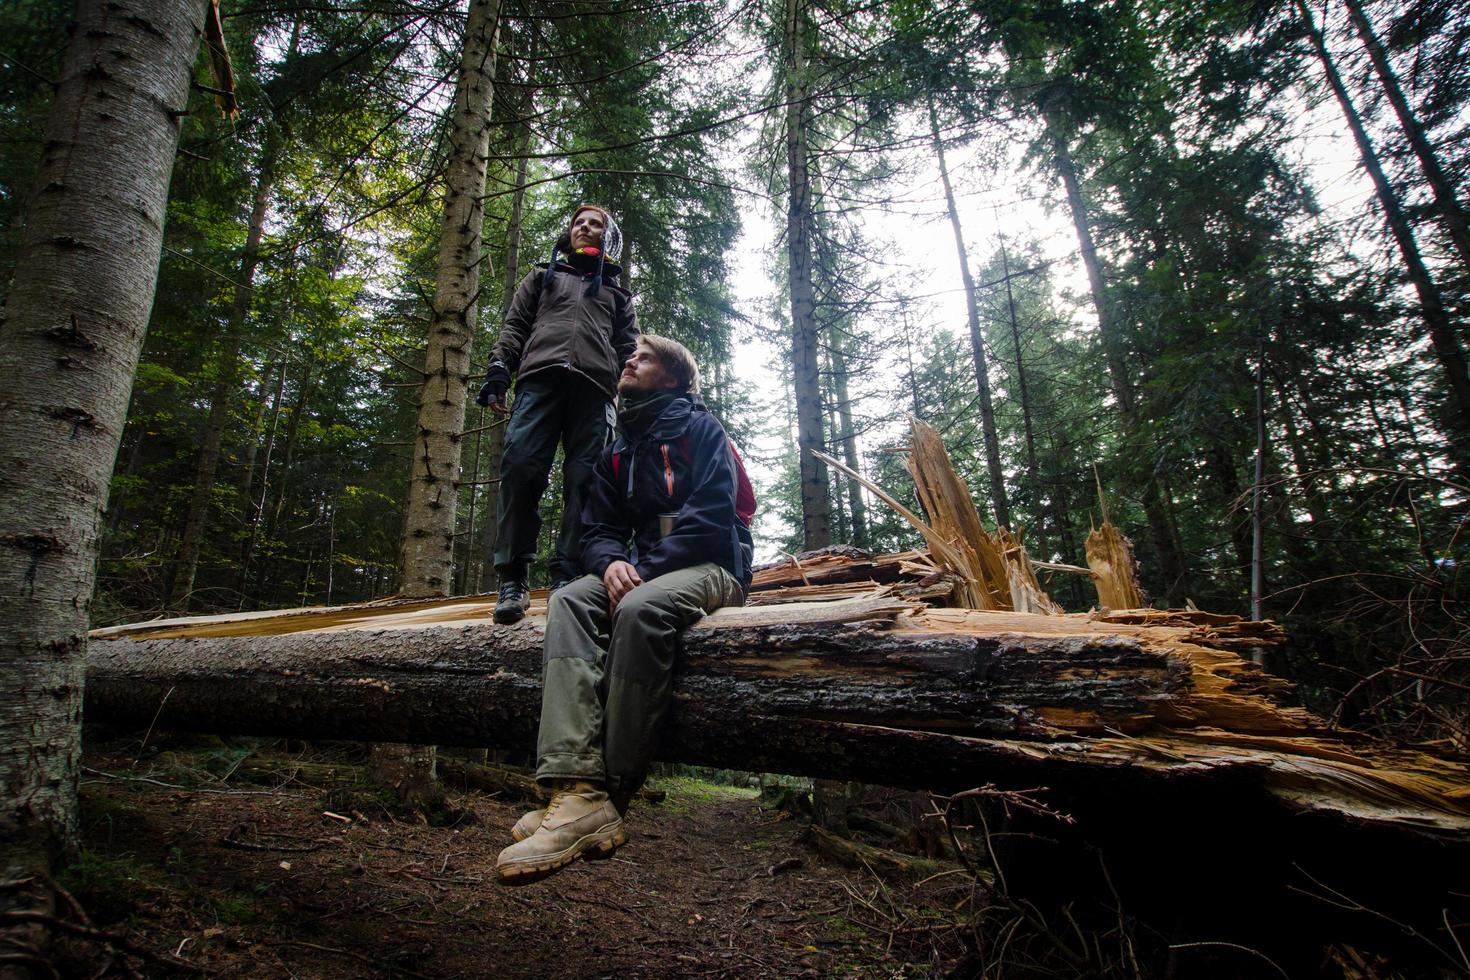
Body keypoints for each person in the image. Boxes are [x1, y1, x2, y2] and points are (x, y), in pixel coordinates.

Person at [495, 335, 753, 885]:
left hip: (713, 568)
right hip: (641, 568)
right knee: (568, 598)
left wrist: (642, 568)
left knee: (638, 610)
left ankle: (610, 791)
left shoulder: (702, 430)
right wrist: (610, 561)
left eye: (646, 357)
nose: (630, 360)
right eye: (630, 355)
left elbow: (712, 517)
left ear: (675, 378)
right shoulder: (618, 445)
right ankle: (574, 782)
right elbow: (598, 527)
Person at [478, 204, 640, 625]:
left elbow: (629, 349)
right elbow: (515, 326)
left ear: (609, 238)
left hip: (596, 391)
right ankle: (512, 579)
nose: (584, 228)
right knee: (520, 467)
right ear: (569, 233)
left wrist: (638, 394)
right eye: (578, 223)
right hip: (539, 380)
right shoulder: (542, 277)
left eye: (596, 224)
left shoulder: (618, 295)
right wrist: (500, 368)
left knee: (586, 480)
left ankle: (568, 576)